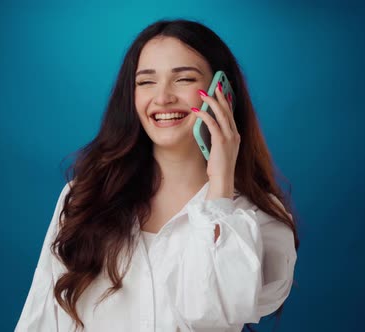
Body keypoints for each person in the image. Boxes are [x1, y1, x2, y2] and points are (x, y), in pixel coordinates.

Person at [15, 19, 299, 332]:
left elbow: (212, 313)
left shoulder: (257, 219)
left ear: (223, 93)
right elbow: (41, 318)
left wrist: (220, 188)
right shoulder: (85, 197)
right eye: (146, 82)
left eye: (184, 79)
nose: (162, 98)